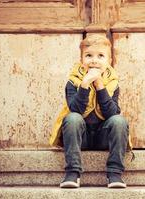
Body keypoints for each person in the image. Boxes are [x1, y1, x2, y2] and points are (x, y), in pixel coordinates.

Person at [49, 34, 131, 188]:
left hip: (103, 136)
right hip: (81, 136)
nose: (94, 60)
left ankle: (114, 173)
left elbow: (112, 113)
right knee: (72, 118)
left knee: (119, 121)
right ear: (81, 60)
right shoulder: (73, 82)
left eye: (101, 56)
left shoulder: (113, 83)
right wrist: (85, 83)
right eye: (88, 56)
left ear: (109, 61)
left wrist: (100, 84)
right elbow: (75, 109)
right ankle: (72, 172)